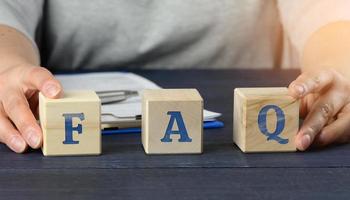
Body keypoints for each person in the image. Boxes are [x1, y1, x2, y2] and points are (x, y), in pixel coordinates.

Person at [0, 0, 349, 153]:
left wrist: (338, 67)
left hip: (243, 128)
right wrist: (8, 68)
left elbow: (327, 12)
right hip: (77, 130)